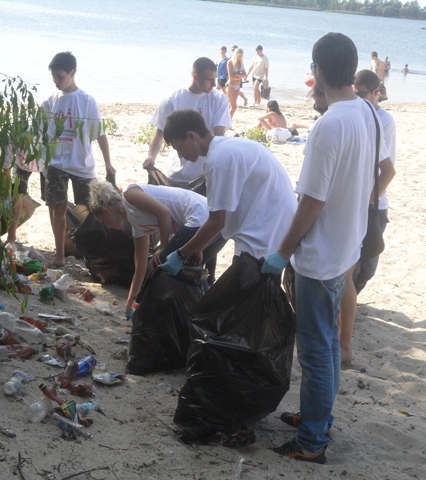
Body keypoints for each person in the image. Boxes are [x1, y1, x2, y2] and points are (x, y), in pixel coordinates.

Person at [261, 33, 388, 464]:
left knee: (315, 350)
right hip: (346, 245)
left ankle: (313, 440)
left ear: (316, 72)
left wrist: (282, 252)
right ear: (351, 70)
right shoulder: (368, 112)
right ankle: (319, 416)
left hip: (320, 256)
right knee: (329, 343)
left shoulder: (329, 124)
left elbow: (311, 202)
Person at [159, 109, 297, 275]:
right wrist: (200, 246)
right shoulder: (231, 146)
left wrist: (180, 254)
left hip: (263, 234)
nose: (180, 155)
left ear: (191, 136)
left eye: (179, 148)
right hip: (279, 225)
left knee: (244, 295)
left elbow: (217, 222)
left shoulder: (219, 160)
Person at [89, 181, 222, 319]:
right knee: (193, 271)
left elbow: (164, 213)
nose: (107, 227)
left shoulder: (130, 195)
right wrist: (129, 304)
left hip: (203, 218)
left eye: (104, 222)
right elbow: (140, 266)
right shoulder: (137, 225)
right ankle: (205, 318)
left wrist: (162, 246)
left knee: (163, 265)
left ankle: (158, 316)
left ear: (106, 211)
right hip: (214, 224)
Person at [339, 69, 396, 363]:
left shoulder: (382, 119)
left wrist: (371, 202)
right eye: (356, 92)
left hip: (374, 201)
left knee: (369, 264)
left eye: (364, 94)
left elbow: (387, 169)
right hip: (357, 200)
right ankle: (343, 315)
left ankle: (347, 308)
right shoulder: (357, 114)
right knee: (352, 266)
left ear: (377, 93)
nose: (359, 98)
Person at [41, 51, 116, 268]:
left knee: (92, 209)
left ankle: (90, 250)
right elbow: (40, 134)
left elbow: (100, 133)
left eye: (60, 77)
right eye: (53, 77)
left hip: (82, 165)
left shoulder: (86, 101)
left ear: (72, 73)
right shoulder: (49, 102)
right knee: (57, 207)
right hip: (56, 164)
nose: (56, 81)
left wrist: (108, 162)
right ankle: (60, 253)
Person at [142, 57, 232, 188]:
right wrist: (151, 157)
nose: (214, 84)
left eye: (215, 78)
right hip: (176, 175)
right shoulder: (173, 99)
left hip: (204, 175)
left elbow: (219, 136)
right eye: (209, 79)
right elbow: (159, 133)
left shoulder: (219, 100)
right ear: (196, 77)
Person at [226, 48, 247, 118]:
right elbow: (231, 77)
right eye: (239, 56)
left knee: (231, 105)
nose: (240, 57)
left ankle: (227, 120)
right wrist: (240, 76)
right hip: (231, 86)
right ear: (236, 55)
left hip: (237, 86)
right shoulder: (230, 62)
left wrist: (237, 75)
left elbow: (245, 74)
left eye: (241, 56)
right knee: (234, 107)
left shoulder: (241, 62)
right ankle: (228, 120)